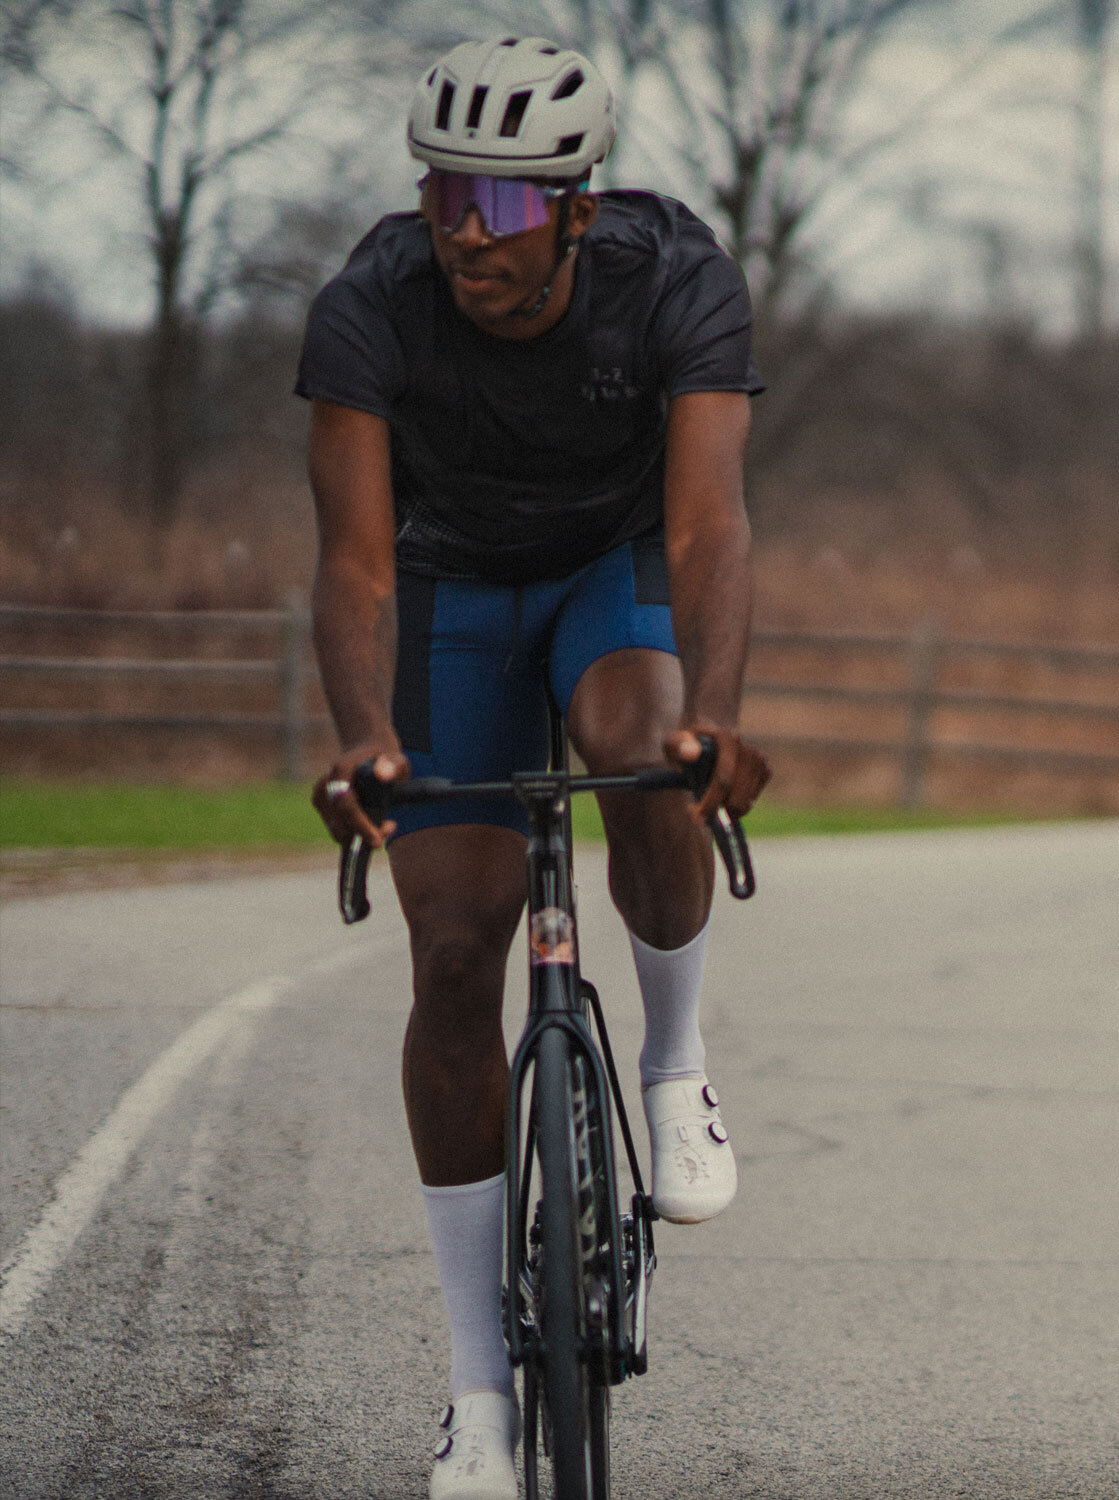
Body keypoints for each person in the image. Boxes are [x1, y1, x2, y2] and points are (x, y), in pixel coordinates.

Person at [297, 37, 771, 1499]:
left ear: (574, 210)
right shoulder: (372, 306)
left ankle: (676, 1058)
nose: (461, 234)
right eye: (444, 195)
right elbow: (357, 563)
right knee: (450, 950)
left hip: (605, 572)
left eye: (497, 209)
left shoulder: (674, 276)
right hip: (448, 589)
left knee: (644, 753)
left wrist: (721, 723)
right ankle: (479, 1396)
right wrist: (368, 740)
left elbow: (705, 532)